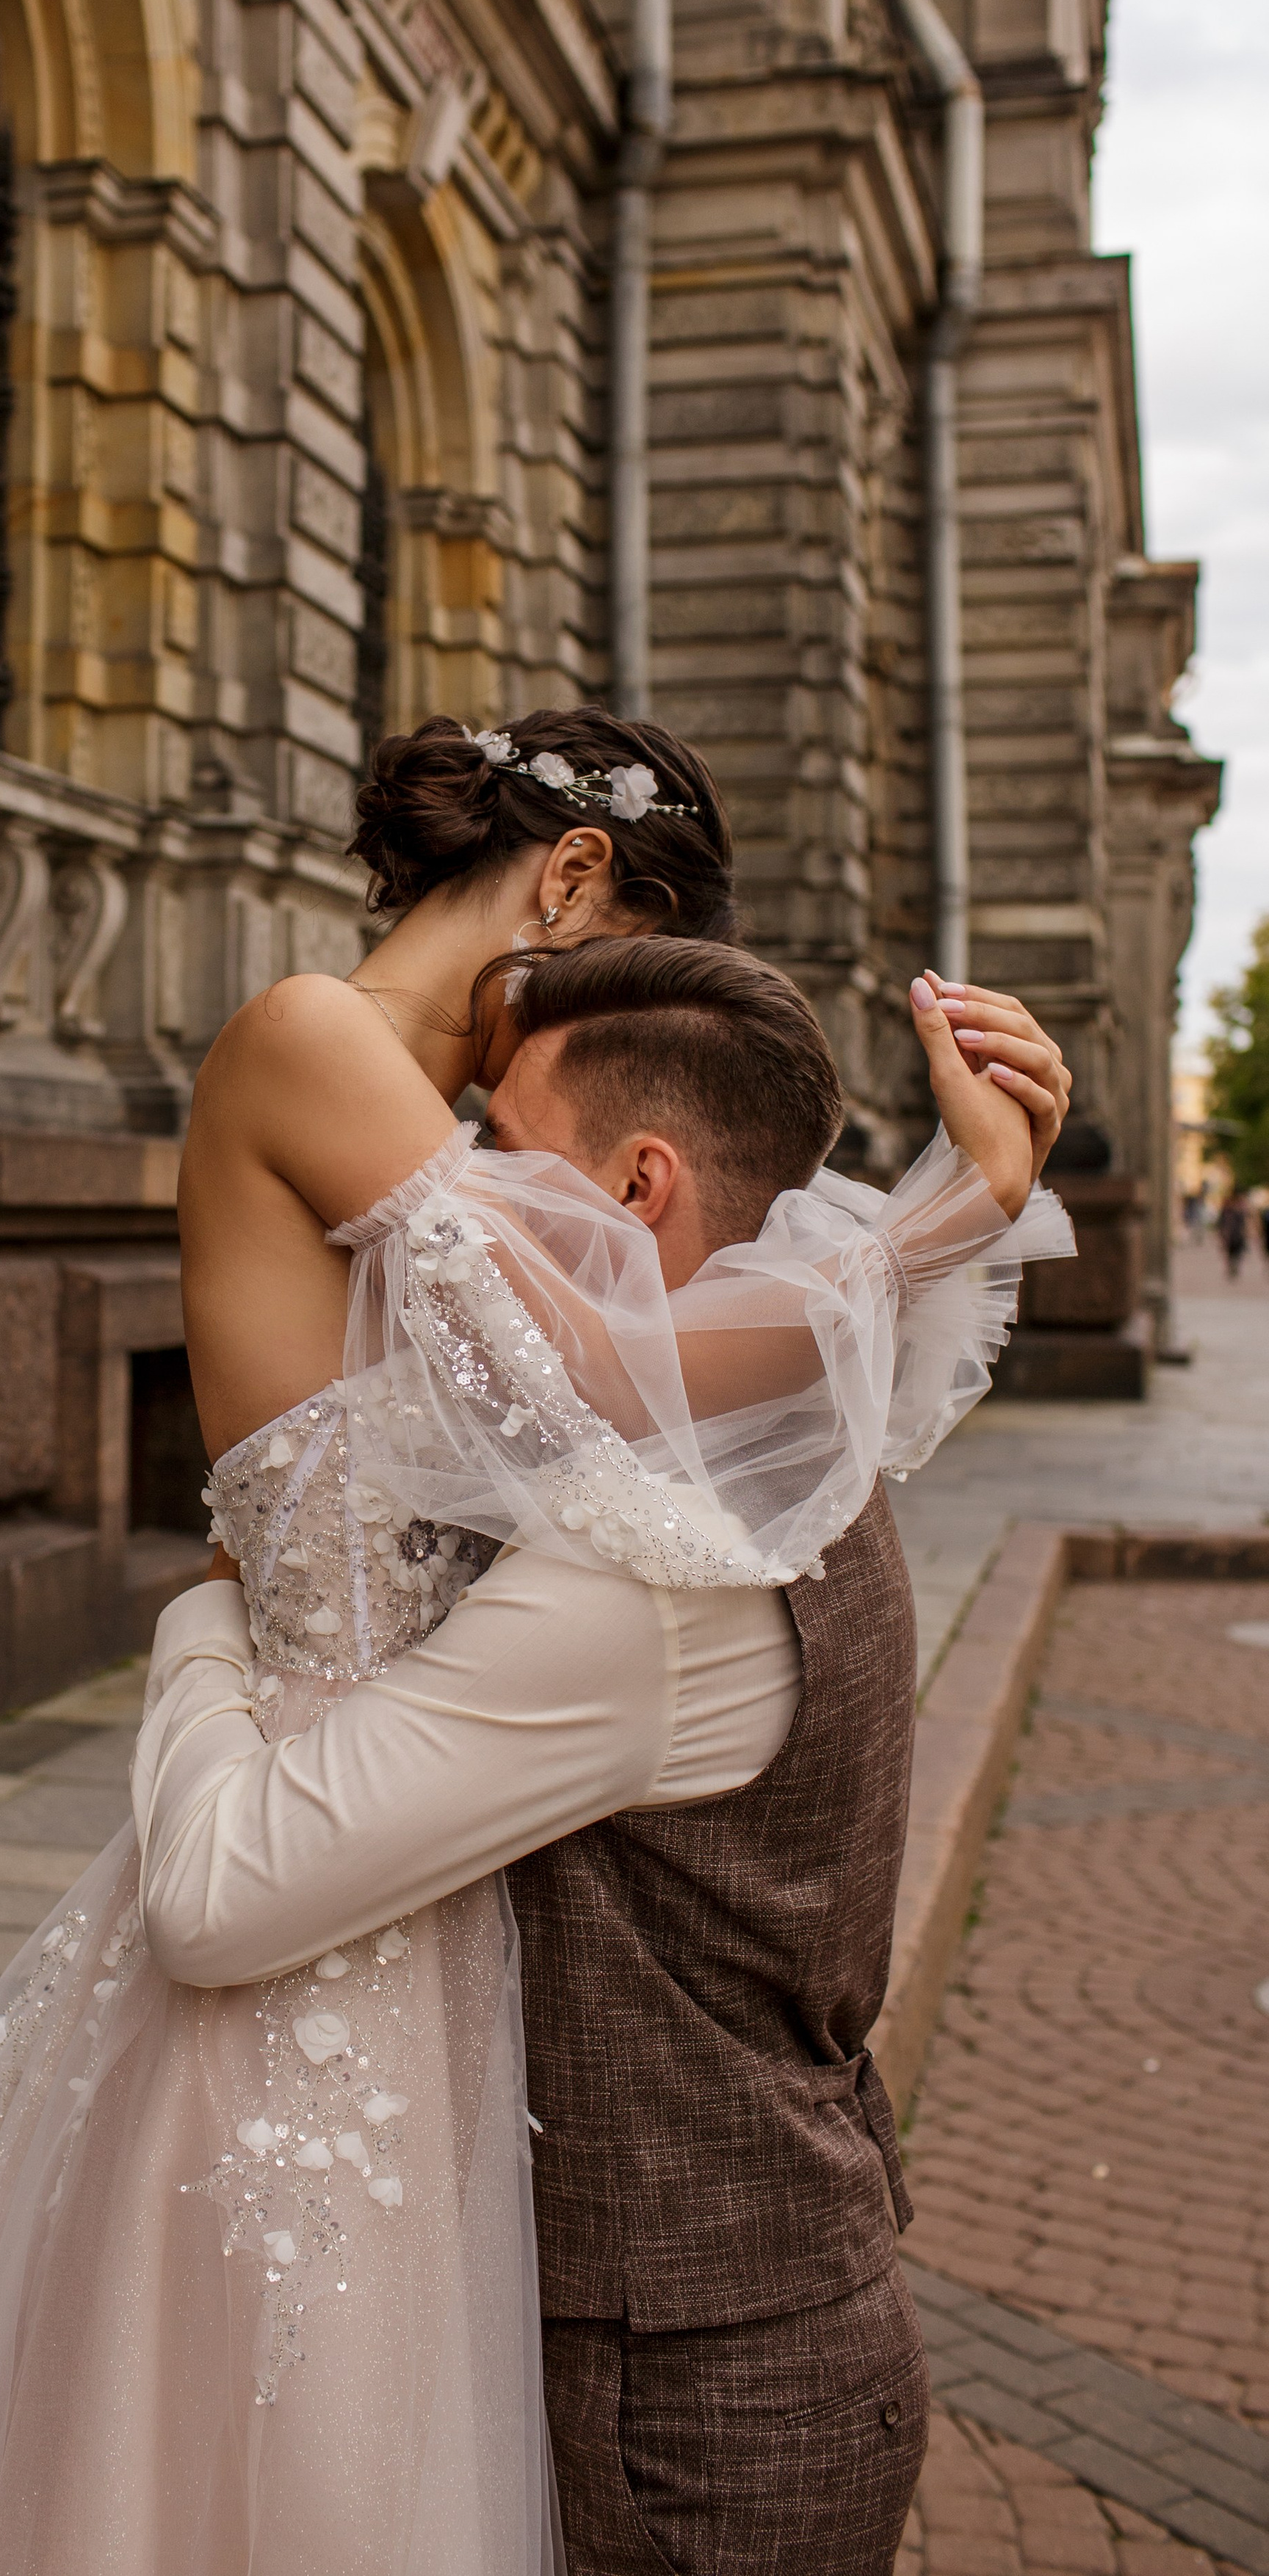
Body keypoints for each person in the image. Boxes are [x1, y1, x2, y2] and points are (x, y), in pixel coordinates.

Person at [0, 713, 1071, 2576]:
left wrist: (936, 1226)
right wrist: (941, 1222)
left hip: (434, 1876)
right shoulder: (307, 1034)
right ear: (564, 879)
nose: (596, 1007)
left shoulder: (472, 1146)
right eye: (611, 937)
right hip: (296, 1838)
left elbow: (632, 1348)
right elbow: (586, 1370)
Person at [135, 929, 1071, 2576]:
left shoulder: (638, 1574)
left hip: (681, 2411)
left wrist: (209, 1615)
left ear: (636, 1192)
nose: (437, 1202)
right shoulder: (788, 1468)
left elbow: (217, 1890)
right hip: (766, 2309)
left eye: (496, 1150)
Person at [1219, 1191, 1249, 1280]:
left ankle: (1234, 1266)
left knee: (1237, 1252)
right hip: (1231, 1236)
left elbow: (1244, 1224)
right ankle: (1232, 1266)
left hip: (1237, 1236)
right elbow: (1221, 1224)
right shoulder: (1226, 1212)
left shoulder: (1239, 1212)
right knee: (1231, 1253)